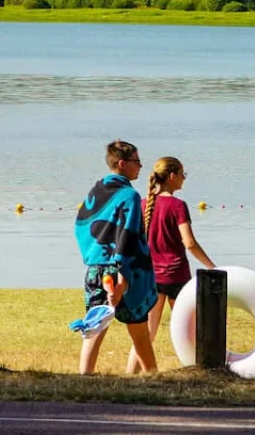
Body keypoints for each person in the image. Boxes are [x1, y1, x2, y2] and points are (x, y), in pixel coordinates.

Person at [74, 140, 158, 375]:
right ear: (122, 164)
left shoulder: (96, 190)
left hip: (95, 268)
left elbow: (81, 225)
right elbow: (128, 236)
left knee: (95, 325)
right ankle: (152, 374)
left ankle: (85, 376)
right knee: (138, 327)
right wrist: (122, 276)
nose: (140, 166)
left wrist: (93, 255)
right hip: (124, 269)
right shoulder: (129, 196)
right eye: (136, 162)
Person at [126, 156, 215, 373]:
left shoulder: (142, 204)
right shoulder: (177, 206)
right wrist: (211, 266)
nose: (184, 179)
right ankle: (200, 371)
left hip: (150, 277)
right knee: (189, 329)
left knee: (147, 332)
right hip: (176, 277)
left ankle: (131, 375)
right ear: (172, 176)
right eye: (183, 174)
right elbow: (190, 243)